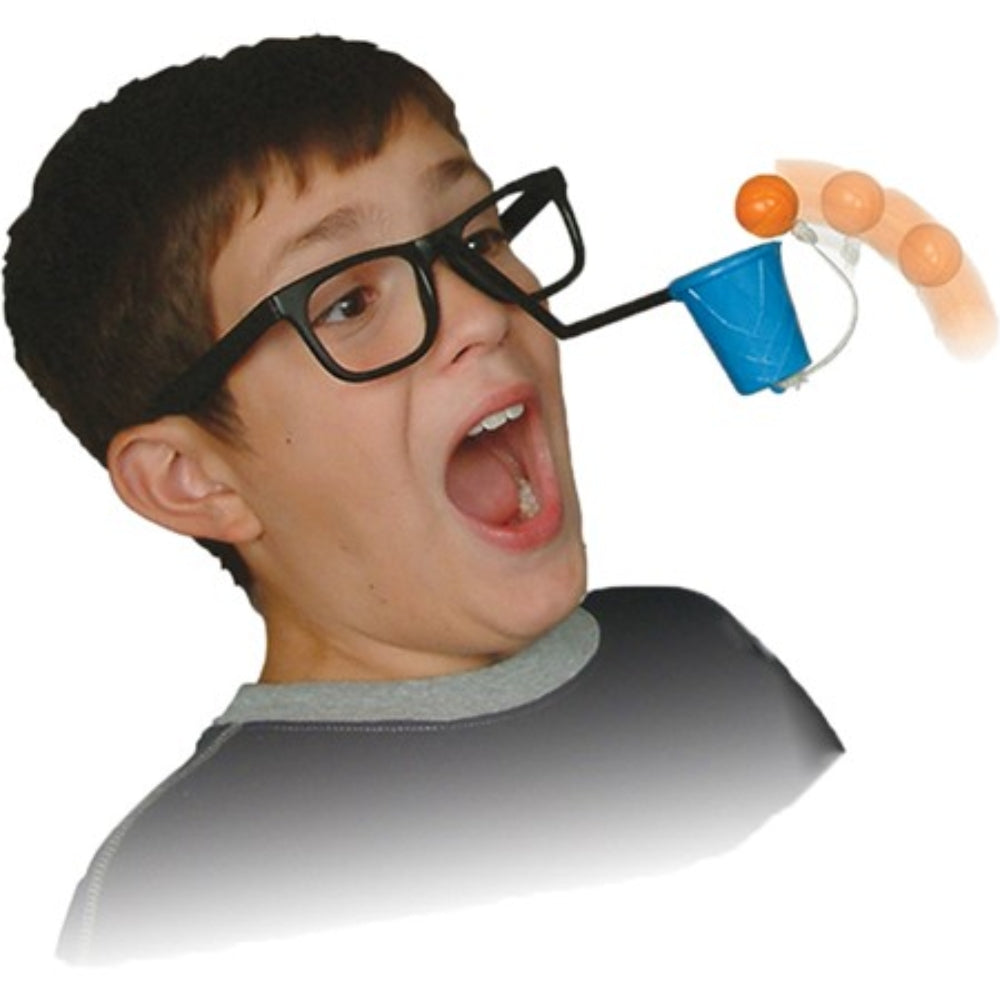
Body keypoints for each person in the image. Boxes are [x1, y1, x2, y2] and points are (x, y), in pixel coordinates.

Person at [4, 35, 842, 964]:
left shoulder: (702, 660)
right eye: (348, 304)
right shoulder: (185, 890)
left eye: (479, 239)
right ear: (192, 479)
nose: (485, 311)